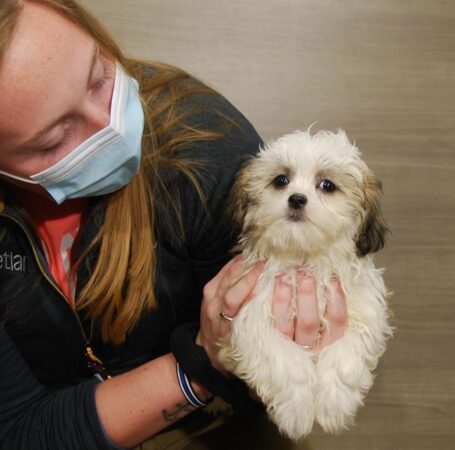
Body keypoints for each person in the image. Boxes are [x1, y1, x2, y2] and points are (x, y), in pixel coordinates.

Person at [0, 1, 348, 448]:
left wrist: (268, 351)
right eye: (53, 139)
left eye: (98, 75)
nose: (108, 124)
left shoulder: (204, 148)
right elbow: (16, 432)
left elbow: (270, 390)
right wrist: (202, 361)